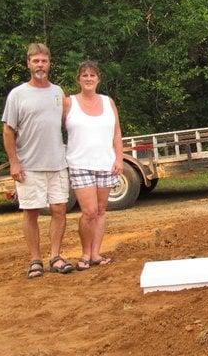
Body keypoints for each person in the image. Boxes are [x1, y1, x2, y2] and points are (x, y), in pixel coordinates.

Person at [2, 43, 74, 278]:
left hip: (57, 163)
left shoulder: (57, 92)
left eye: (44, 60)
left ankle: (55, 256)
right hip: (29, 165)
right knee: (31, 212)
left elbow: (68, 123)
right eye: (36, 61)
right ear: (28, 64)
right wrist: (14, 162)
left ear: (49, 63)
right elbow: (8, 130)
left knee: (59, 209)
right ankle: (35, 260)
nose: (40, 65)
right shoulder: (17, 94)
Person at [64, 60, 123, 271]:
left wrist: (119, 158)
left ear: (98, 78)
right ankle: (85, 253)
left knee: (100, 210)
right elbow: (51, 127)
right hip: (79, 163)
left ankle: (96, 253)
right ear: (78, 79)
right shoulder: (68, 103)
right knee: (88, 212)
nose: (88, 79)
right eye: (84, 75)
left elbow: (116, 133)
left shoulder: (109, 102)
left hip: (106, 163)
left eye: (92, 75)